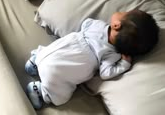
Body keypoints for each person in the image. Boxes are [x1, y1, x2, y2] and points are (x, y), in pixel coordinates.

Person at [25, 10, 159, 109]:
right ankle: (41, 90)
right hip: (57, 70)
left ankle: (35, 61)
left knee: (56, 48)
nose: (121, 11)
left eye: (124, 12)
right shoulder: (112, 55)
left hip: (56, 50)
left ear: (116, 25)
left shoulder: (98, 26)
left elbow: (86, 24)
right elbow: (106, 73)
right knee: (61, 92)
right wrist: (124, 63)